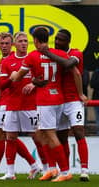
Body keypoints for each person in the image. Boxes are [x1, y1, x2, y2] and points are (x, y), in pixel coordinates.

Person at [10, 27, 76, 182]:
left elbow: (18, 77)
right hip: (59, 98)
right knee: (40, 133)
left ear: (36, 40)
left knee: (51, 135)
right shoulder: (59, 54)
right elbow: (71, 69)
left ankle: (65, 171)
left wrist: (13, 75)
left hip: (45, 101)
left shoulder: (33, 56)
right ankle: (51, 169)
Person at [0, 32, 43, 180]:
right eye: (2, 43)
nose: (4, 46)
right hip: (6, 102)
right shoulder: (4, 61)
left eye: (7, 43)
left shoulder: (24, 59)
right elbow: (1, 81)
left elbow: (8, 81)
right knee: (7, 136)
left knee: (8, 135)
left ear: (12, 44)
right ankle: (30, 166)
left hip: (14, 103)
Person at [0, 31, 42, 180]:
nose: (24, 43)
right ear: (15, 44)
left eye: (26, 41)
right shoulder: (6, 61)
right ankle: (10, 173)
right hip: (12, 105)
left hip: (31, 106)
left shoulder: (35, 58)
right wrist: (12, 79)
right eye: (21, 41)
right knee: (10, 137)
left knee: (37, 137)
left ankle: (48, 168)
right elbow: (2, 85)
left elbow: (44, 79)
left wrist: (33, 83)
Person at [53, 29, 89, 181]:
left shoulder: (76, 53)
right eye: (55, 39)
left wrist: (49, 54)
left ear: (68, 41)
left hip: (74, 100)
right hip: (58, 100)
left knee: (79, 131)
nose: (57, 42)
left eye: (60, 39)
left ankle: (84, 170)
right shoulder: (53, 54)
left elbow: (69, 64)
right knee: (61, 138)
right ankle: (65, 171)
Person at [90, 68, 99, 134]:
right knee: (98, 117)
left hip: (96, 97)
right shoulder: (96, 72)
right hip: (97, 97)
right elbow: (92, 84)